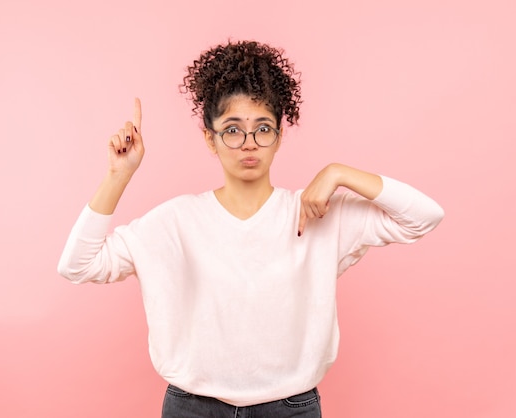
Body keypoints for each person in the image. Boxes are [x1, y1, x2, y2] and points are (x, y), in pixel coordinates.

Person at [57, 40, 444, 417]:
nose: (249, 144)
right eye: (232, 129)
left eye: (263, 128)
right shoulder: (173, 222)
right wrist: (117, 175)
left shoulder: (317, 213)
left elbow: (425, 215)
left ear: (278, 136)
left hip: (291, 407)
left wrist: (338, 173)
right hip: (192, 407)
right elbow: (77, 264)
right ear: (210, 139)